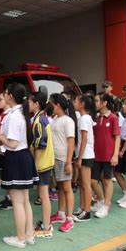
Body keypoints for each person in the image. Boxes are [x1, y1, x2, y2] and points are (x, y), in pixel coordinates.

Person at [0, 82, 38, 248]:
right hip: (24, 157)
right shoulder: (22, 114)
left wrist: (1, 138)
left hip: (16, 158)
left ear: (10, 96)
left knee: (18, 201)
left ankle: (20, 238)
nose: (5, 95)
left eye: (6, 93)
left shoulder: (14, 116)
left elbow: (13, 144)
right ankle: (29, 234)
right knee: (25, 200)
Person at [49, 93, 76, 232]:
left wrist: (68, 162)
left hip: (63, 158)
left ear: (57, 105)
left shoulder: (68, 121)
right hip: (55, 158)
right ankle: (61, 214)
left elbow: (71, 141)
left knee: (67, 188)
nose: (50, 106)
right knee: (60, 187)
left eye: (51, 104)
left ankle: (69, 219)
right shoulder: (55, 119)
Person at [90, 93, 120, 218]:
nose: (95, 103)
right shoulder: (95, 117)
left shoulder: (113, 118)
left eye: (97, 101)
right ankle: (101, 200)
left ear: (104, 103)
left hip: (108, 156)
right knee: (93, 181)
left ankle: (106, 206)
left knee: (107, 180)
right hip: (96, 155)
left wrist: (115, 155)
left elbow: (117, 137)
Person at [29, 92, 54, 238]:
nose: (28, 104)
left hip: (42, 163)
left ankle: (46, 227)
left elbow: (40, 144)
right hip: (46, 161)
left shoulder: (39, 120)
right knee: (44, 195)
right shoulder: (43, 118)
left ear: (36, 103)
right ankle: (45, 224)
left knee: (44, 195)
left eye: (31, 101)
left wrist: (36, 165)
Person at [73, 94, 95, 222]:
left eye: (76, 100)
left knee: (86, 184)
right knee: (82, 184)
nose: (74, 102)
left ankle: (87, 211)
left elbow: (84, 139)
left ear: (82, 104)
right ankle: (82, 208)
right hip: (84, 154)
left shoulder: (85, 119)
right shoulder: (84, 118)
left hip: (86, 155)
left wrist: (79, 158)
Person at [0, 92, 13, 210]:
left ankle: (11, 199)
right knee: (5, 174)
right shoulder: (2, 115)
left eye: (1, 99)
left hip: (8, 148)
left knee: (10, 174)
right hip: (1, 148)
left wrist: (2, 144)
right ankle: (8, 197)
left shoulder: (11, 115)